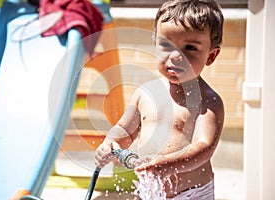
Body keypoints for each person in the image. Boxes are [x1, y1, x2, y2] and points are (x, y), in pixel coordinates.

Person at [94, 0, 224, 199]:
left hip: (193, 193)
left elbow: (204, 147)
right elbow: (125, 131)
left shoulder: (208, 102)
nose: (175, 56)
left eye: (189, 47)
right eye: (166, 45)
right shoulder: (145, 93)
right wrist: (110, 143)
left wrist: (167, 163)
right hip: (153, 192)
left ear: (211, 56)